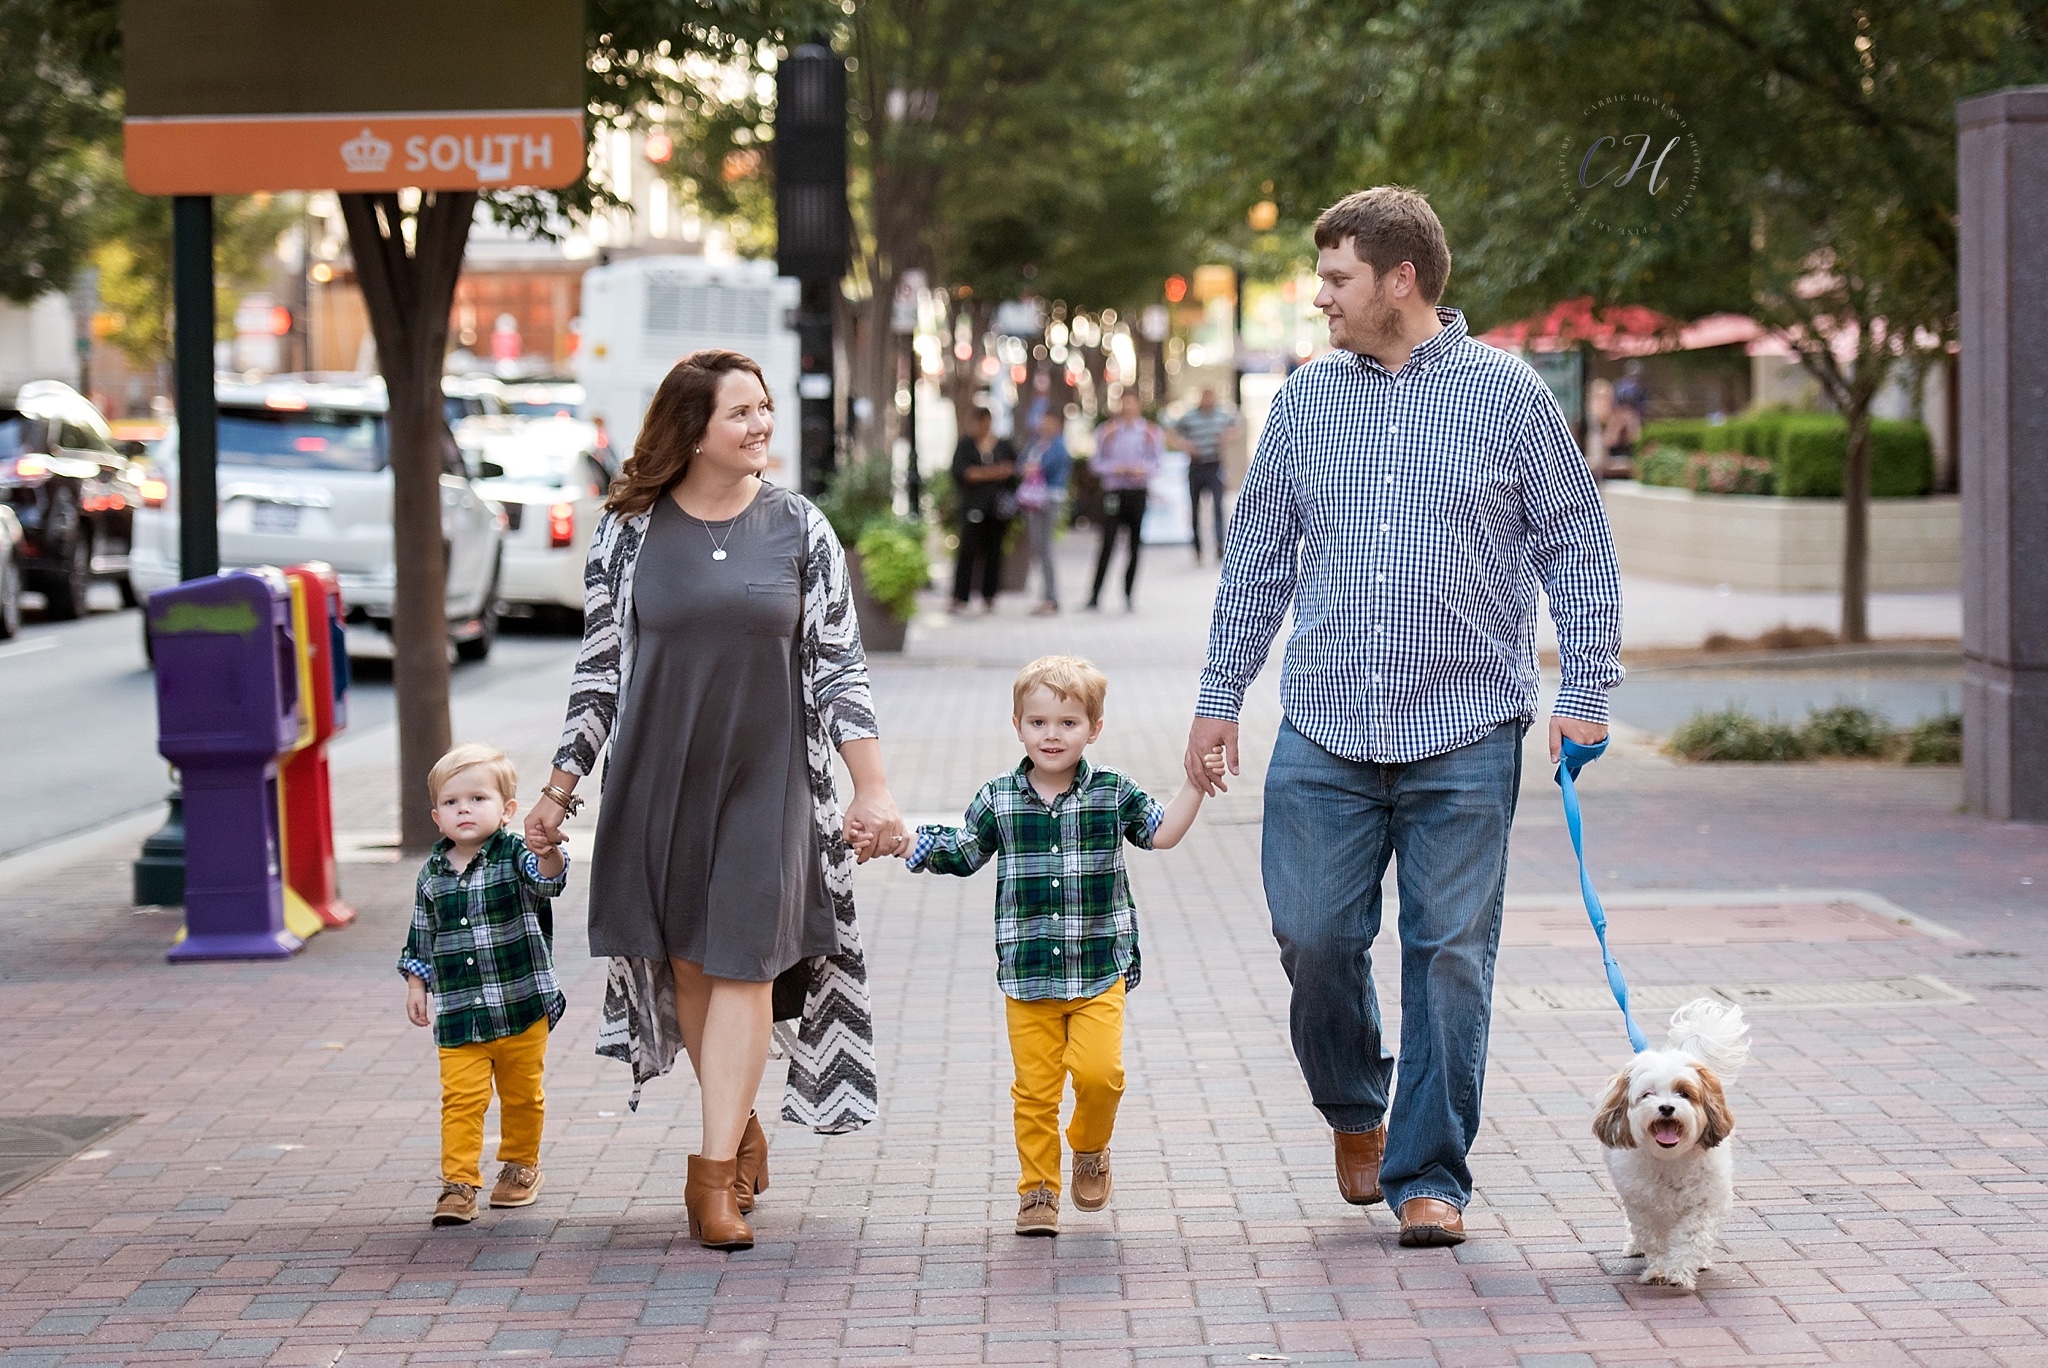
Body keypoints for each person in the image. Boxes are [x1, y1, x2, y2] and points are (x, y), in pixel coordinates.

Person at [1183, 187, 1623, 1249]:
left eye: (1334, 278)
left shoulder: (1507, 395)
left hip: (1466, 731)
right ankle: (1354, 1107)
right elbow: (1256, 561)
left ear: (1399, 279)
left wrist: (1583, 692)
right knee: (1314, 937)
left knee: (1450, 957)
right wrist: (1216, 699)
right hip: (1324, 727)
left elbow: (1576, 544)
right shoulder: (1300, 403)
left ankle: (1428, 1175)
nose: (1320, 298)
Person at [527, 348, 908, 1252]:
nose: (761, 425)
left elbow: (838, 662)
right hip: (657, 773)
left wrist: (873, 785)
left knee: (742, 960)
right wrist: (558, 787)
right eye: (741, 412)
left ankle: (709, 1184)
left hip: (767, 777)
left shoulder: (801, 528)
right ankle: (735, 1127)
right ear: (692, 429)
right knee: (689, 965)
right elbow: (599, 669)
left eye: (765, 408)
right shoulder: (627, 531)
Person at [887, 657, 1226, 1236]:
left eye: (1067, 723)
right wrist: (904, 842)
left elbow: (1162, 832)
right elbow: (963, 851)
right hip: (1028, 978)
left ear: (1093, 728)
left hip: (1099, 971)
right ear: (1017, 725)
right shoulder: (999, 798)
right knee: (1035, 1093)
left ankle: (1090, 1148)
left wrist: (1194, 783)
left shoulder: (1112, 792)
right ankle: (1037, 1191)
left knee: (1101, 1075)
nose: (1051, 734)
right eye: (1039, 722)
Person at [400, 743, 569, 1228]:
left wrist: (550, 851)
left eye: (478, 799)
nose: (465, 810)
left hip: (520, 1005)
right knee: (461, 1098)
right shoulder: (431, 876)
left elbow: (547, 881)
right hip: (459, 1016)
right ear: (437, 816)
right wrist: (416, 984)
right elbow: (421, 934)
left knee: (521, 1095)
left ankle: (520, 1166)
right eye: (452, 803)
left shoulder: (513, 855)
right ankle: (458, 1183)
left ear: (507, 810)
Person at [1086, 391, 1164, 612]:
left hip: (1137, 492)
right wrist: (1115, 468)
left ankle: (1129, 594)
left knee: (1134, 546)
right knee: (1106, 544)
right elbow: (1095, 463)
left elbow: (1158, 462)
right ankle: (1095, 595)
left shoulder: (1149, 432)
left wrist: (1143, 470)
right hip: (1115, 492)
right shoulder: (1107, 431)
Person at [950, 406, 1018, 613]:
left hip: (997, 509)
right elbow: (964, 473)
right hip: (973, 506)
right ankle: (960, 596)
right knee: (967, 551)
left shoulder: (1003, 445)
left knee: (994, 552)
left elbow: (1012, 471)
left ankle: (989, 595)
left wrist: (984, 474)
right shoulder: (966, 445)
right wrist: (994, 473)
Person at [1169, 387, 1241, 563]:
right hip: (1196, 465)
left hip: (1214, 463)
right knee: (1195, 508)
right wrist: (1185, 445)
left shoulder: (1221, 415)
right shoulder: (1190, 417)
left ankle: (1219, 544)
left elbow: (1237, 426)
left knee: (1218, 507)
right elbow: (1171, 431)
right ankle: (1197, 548)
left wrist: (1227, 437)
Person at [1017, 409, 1072, 616]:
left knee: (1045, 547)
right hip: (1033, 499)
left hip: (1050, 497)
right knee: (1038, 546)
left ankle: (1051, 597)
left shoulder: (1058, 447)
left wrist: (1034, 469)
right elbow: (1021, 464)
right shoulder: (1034, 443)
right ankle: (1046, 595)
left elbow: (1051, 466)